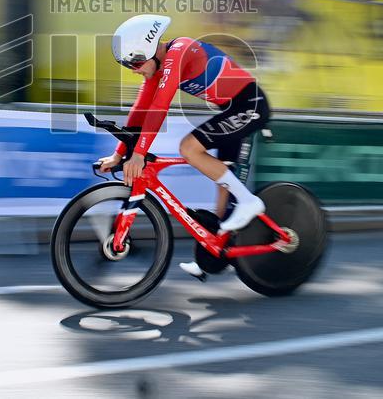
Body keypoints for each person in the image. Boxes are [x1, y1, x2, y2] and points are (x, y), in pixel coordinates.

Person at [96, 14, 271, 280]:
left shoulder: (181, 50)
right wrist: (119, 153)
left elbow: (160, 106)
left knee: (189, 148)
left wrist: (140, 153)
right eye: (128, 65)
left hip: (250, 105)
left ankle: (249, 202)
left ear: (153, 48)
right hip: (231, 108)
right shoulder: (157, 68)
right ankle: (212, 256)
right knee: (222, 195)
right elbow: (140, 110)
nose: (134, 69)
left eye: (136, 62)